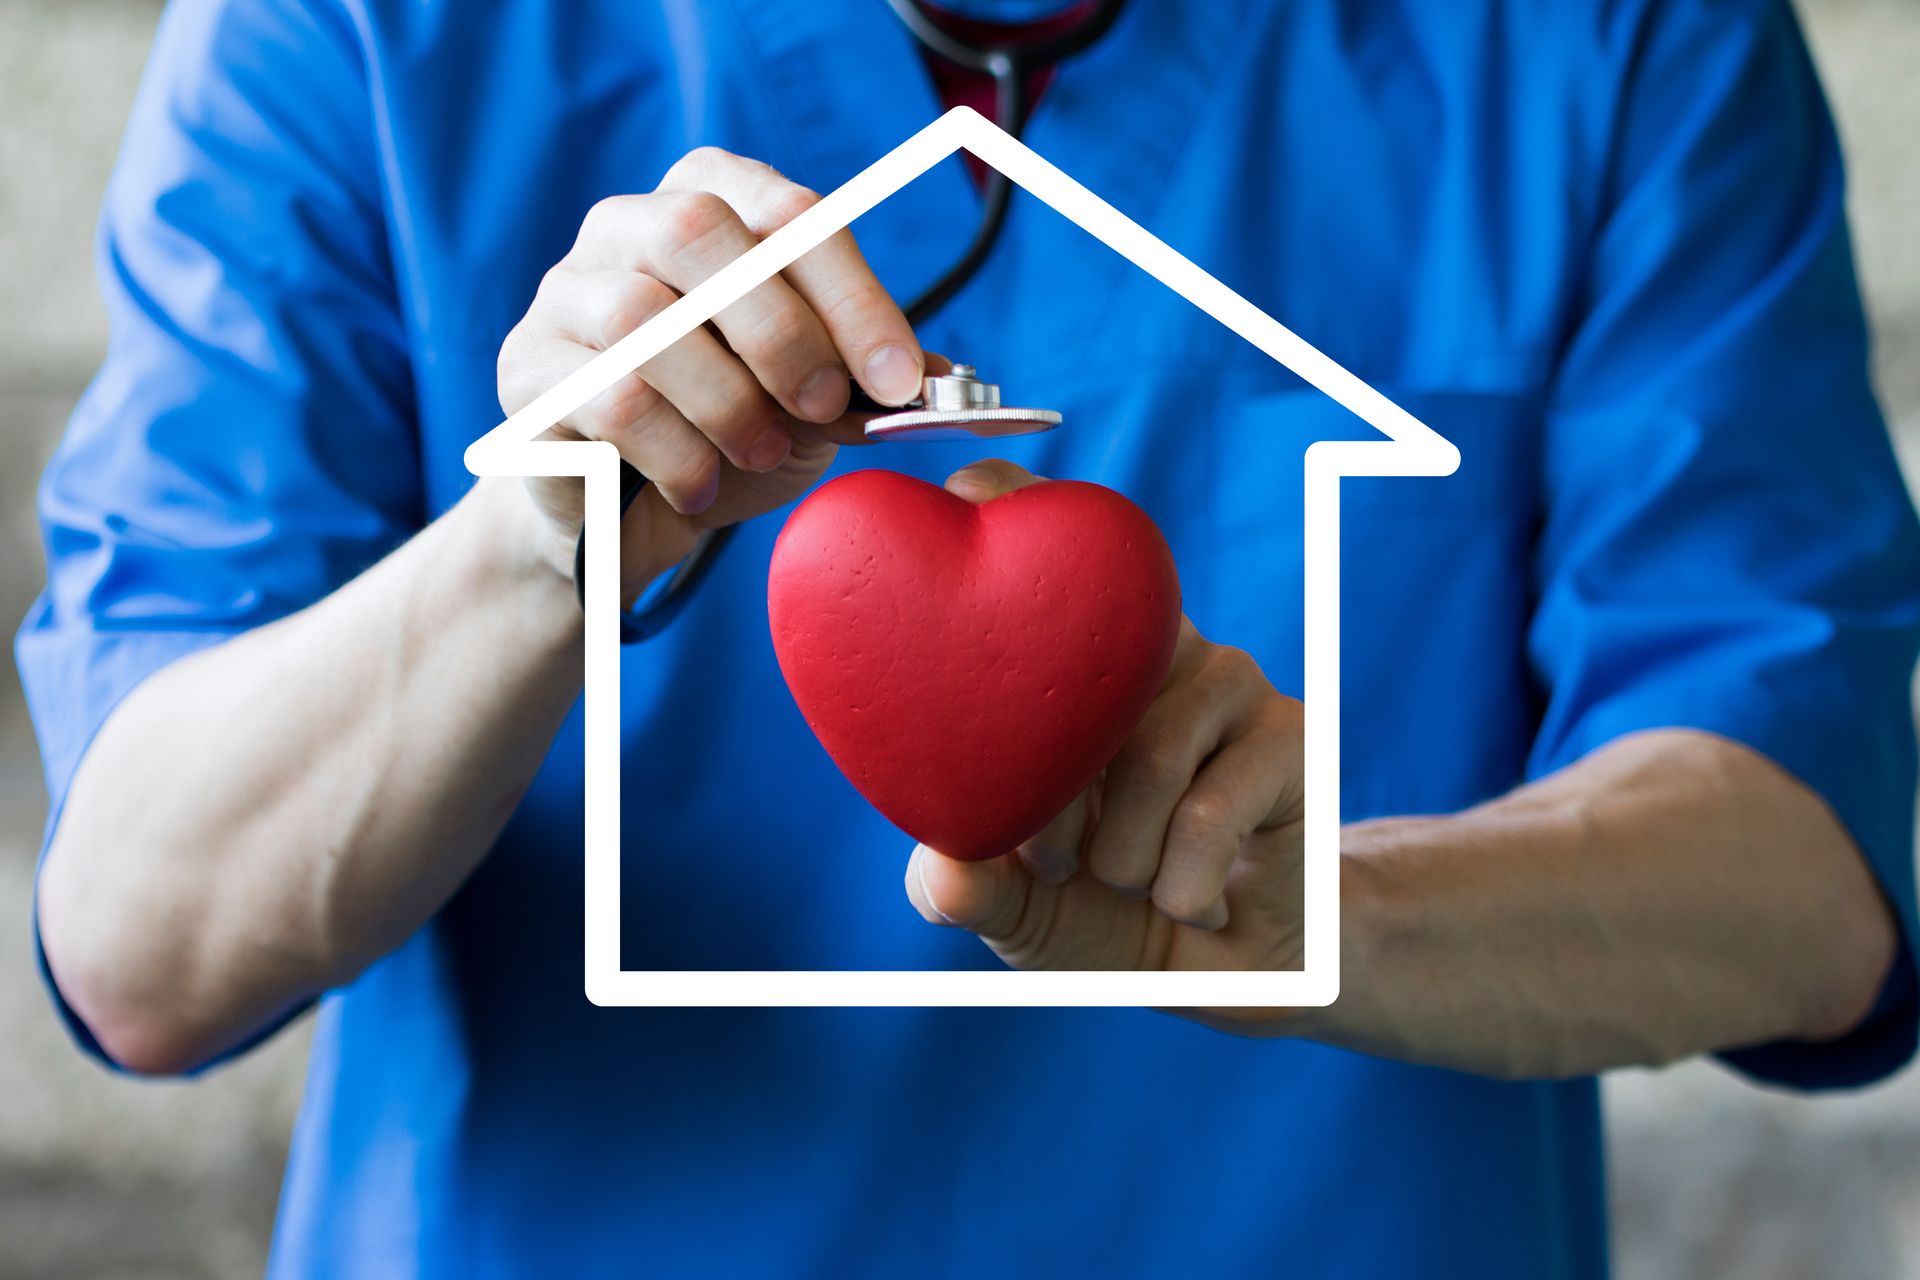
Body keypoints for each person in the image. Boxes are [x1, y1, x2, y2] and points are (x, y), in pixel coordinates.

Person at [17, 0, 1920, 1275]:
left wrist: (1325, 908)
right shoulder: (352, 32)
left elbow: (1807, 872)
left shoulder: (1617, 37)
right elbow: (141, 940)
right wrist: (531, 545)